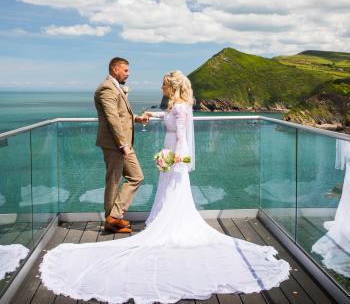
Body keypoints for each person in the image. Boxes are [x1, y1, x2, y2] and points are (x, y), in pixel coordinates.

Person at [40, 70, 290, 304]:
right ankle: (161, 218)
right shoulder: (176, 105)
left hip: (174, 152)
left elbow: (181, 133)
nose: (161, 87)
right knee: (168, 189)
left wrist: (178, 159)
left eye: (163, 84)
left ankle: (168, 222)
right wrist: (152, 116)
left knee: (173, 190)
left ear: (171, 86)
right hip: (169, 150)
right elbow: (169, 118)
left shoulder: (180, 106)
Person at [94, 57, 147, 233]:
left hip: (121, 143)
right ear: (115, 70)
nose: (128, 73)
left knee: (130, 178)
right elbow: (113, 119)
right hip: (115, 144)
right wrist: (123, 144)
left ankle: (113, 217)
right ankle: (113, 219)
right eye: (125, 70)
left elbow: (122, 115)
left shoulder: (116, 87)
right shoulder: (106, 88)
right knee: (118, 180)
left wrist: (137, 119)